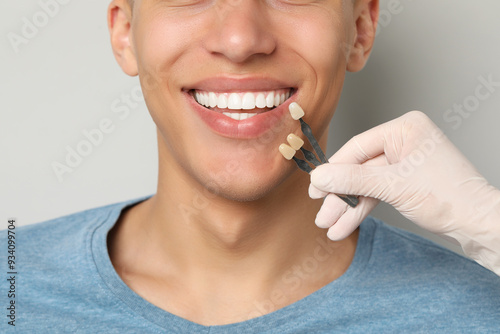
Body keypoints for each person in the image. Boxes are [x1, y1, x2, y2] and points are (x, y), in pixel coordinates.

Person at [2, 0, 499, 332]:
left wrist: (491, 224)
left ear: (361, 29)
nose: (240, 40)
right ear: (125, 32)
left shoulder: (478, 310)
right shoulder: (12, 287)